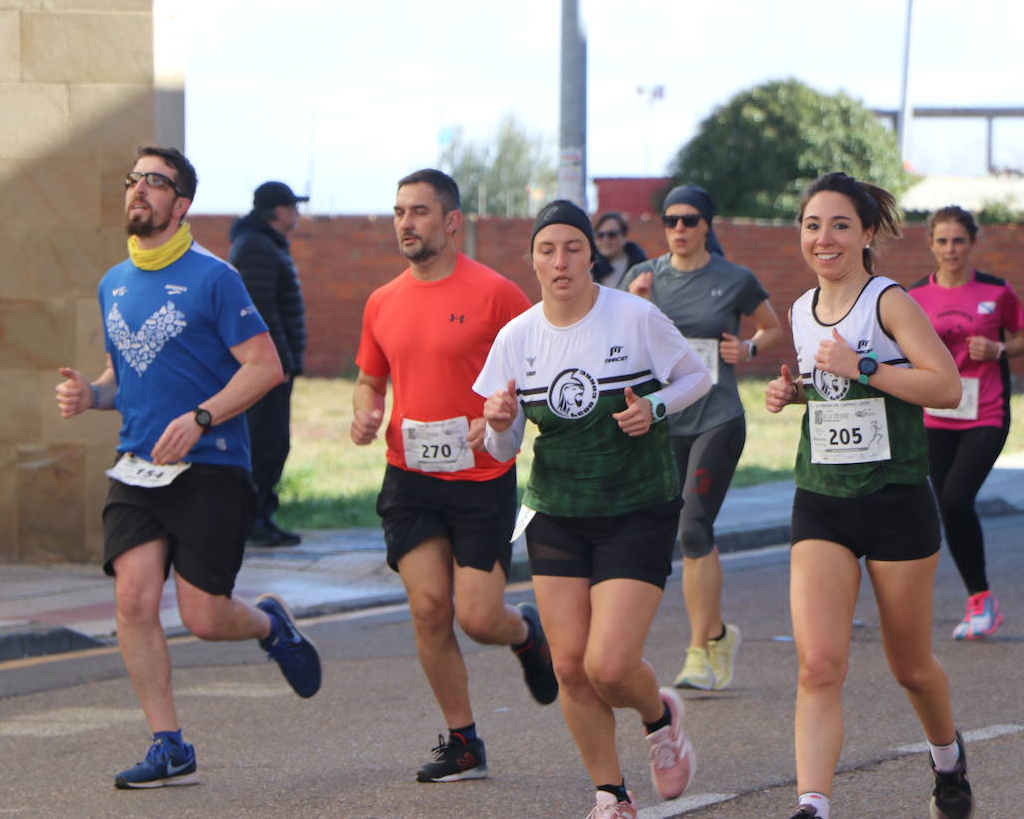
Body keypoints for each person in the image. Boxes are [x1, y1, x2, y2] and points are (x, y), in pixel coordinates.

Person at [55, 146, 321, 790]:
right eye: (133, 179)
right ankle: (168, 743)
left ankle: (267, 624)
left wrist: (201, 417)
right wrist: (92, 395)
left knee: (203, 617)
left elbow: (264, 366)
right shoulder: (112, 283)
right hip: (138, 464)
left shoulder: (215, 277)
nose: (139, 189)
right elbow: (130, 372)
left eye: (156, 181)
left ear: (182, 202)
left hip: (212, 464)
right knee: (133, 598)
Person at [475, 200, 711, 819]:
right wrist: (499, 423)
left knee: (609, 666)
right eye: (547, 249)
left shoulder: (633, 316)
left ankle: (659, 717)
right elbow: (503, 444)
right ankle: (611, 793)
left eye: (573, 248)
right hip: (556, 509)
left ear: (590, 255)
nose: (560, 261)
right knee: (570, 668)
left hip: (637, 506)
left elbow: (696, 378)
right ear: (532, 259)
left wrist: (655, 408)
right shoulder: (516, 338)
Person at [763, 172, 973, 819]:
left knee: (910, 665)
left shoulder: (889, 302)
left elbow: (947, 388)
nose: (823, 239)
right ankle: (813, 803)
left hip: (895, 499)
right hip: (821, 497)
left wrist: (867, 368)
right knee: (818, 664)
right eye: (812, 225)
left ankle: (947, 758)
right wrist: (793, 393)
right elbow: (827, 389)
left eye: (839, 225)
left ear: (868, 234)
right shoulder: (800, 311)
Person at [350, 168, 559, 784]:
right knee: (428, 609)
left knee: (477, 616)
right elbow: (370, 376)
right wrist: (365, 411)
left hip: (481, 477)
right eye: (397, 212)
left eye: (418, 212)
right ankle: (464, 742)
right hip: (409, 477)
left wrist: (500, 413)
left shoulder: (496, 295)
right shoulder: (382, 301)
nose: (405, 224)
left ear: (451, 222)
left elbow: (537, 369)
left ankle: (523, 631)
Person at [623, 184, 782, 690]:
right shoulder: (642, 277)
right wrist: (634, 306)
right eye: (671, 221)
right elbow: (619, 349)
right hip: (666, 419)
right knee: (678, 528)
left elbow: (771, 328)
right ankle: (717, 633)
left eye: (690, 220)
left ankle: (697, 652)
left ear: (707, 225)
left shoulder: (734, 278)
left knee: (693, 527)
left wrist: (751, 349)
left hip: (717, 416)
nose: (679, 229)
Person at [909, 206, 1024, 641]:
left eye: (958, 240)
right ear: (930, 244)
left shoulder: (996, 292)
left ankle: (981, 600)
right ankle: (980, 601)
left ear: (971, 243)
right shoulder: (915, 297)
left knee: (957, 499)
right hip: (936, 414)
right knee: (946, 504)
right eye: (942, 241)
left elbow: (1023, 339)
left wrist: (997, 348)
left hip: (985, 411)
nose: (950, 249)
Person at [229, 180, 309, 546]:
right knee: (265, 442)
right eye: (292, 207)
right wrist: (280, 362)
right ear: (278, 211)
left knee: (274, 443)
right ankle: (252, 521)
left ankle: (262, 516)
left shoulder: (263, 244)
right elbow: (261, 312)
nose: (296, 213)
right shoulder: (257, 247)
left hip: (276, 367)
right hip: (268, 370)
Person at [591, 211, 648, 287]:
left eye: (612, 234)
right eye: (600, 235)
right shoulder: (589, 267)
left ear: (624, 237)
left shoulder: (641, 266)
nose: (606, 240)